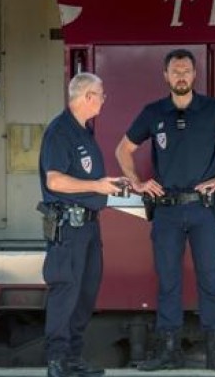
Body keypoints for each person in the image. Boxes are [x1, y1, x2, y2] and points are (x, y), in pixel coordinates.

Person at [115, 49, 215, 372]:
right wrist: (136, 181)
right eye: (175, 71)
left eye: (186, 71)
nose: (181, 76)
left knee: (210, 280)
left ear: (195, 75)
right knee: (168, 282)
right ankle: (168, 353)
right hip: (166, 211)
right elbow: (123, 149)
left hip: (203, 210)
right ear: (165, 76)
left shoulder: (214, 109)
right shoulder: (153, 112)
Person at [38, 72, 125, 377]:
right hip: (68, 227)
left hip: (88, 226)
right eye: (101, 94)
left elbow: (89, 180)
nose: (103, 100)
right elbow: (55, 180)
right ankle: (57, 361)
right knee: (66, 292)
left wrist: (105, 183)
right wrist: (98, 187)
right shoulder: (60, 132)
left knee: (85, 293)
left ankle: (73, 357)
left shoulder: (84, 132)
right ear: (88, 96)